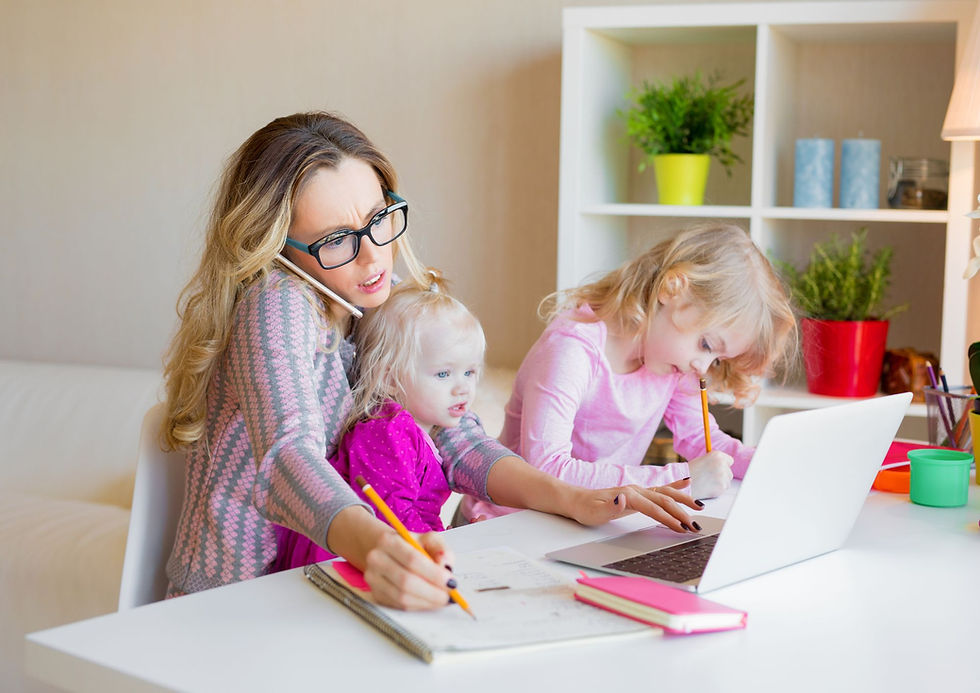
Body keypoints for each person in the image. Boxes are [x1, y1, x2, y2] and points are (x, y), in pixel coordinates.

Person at [160, 111, 701, 610]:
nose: (374, 258)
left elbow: (456, 437)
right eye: (335, 242)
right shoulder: (276, 301)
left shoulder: (373, 294)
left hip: (319, 581)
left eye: (379, 220)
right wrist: (377, 548)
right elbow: (287, 457)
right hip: (237, 599)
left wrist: (575, 498)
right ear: (279, 249)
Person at [461, 224, 796, 523]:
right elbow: (546, 469)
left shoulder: (671, 362)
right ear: (672, 290)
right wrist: (680, 479)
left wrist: (772, 463)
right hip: (506, 523)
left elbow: (704, 441)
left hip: (587, 522)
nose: (703, 367)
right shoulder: (573, 349)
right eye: (707, 344)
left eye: (718, 359)